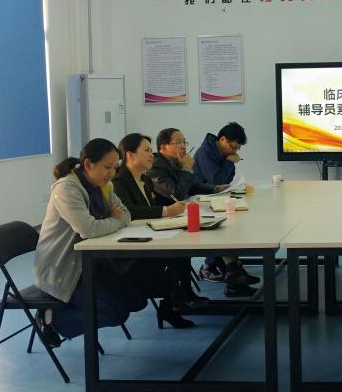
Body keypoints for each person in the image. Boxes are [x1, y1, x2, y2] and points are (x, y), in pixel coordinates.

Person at [33, 139, 138, 345]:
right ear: (88, 164)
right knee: (116, 312)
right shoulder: (67, 188)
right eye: (107, 167)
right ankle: (52, 320)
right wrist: (115, 220)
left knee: (135, 297)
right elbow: (89, 229)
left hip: (91, 263)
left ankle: (65, 311)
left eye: (115, 167)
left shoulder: (104, 187)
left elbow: (126, 214)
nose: (112, 173)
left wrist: (113, 220)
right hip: (63, 270)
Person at [112, 132, 210, 329]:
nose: (151, 155)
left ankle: (179, 299)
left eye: (151, 150)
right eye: (146, 151)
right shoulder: (119, 181)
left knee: (182, 248)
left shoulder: (145, 180)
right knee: (172, 256)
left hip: (148, 234)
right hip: (129, 245)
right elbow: (129, 211)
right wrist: (166, 211)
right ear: (130, 155)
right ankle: (174, 303)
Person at [191, 122, 259, 295]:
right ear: (222, 139)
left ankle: (232, 274)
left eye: (237, 149)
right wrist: (229, 161)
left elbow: (226, 180)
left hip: (213, 199)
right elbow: (217, 180)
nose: (234, 151)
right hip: (200, 202)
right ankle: (230, 274)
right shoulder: (206, 152)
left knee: (234, 225)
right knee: (225, 230)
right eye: (233, 147)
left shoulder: (219, 152)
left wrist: (229, 161)